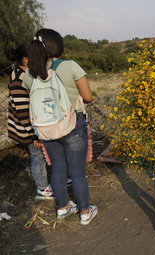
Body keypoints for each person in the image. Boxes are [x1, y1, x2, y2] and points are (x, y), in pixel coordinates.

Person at [22, 29, 97, 225]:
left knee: (57, 170)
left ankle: (63, 208)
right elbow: (88, 97)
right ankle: (85, 212)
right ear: (58, 46)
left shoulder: (30, 72)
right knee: (77, 172)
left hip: (47, 127)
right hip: (72, 124)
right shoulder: (70, 66)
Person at [5, 43, 54, 200]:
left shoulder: (23, 74)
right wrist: (34, 136)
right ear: (26, 60)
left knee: (40, 154)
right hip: (27, 129)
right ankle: (42, 188)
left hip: (30, 127)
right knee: (37, 156)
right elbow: (22, 111)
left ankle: (46, 182)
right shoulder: (19, 79)